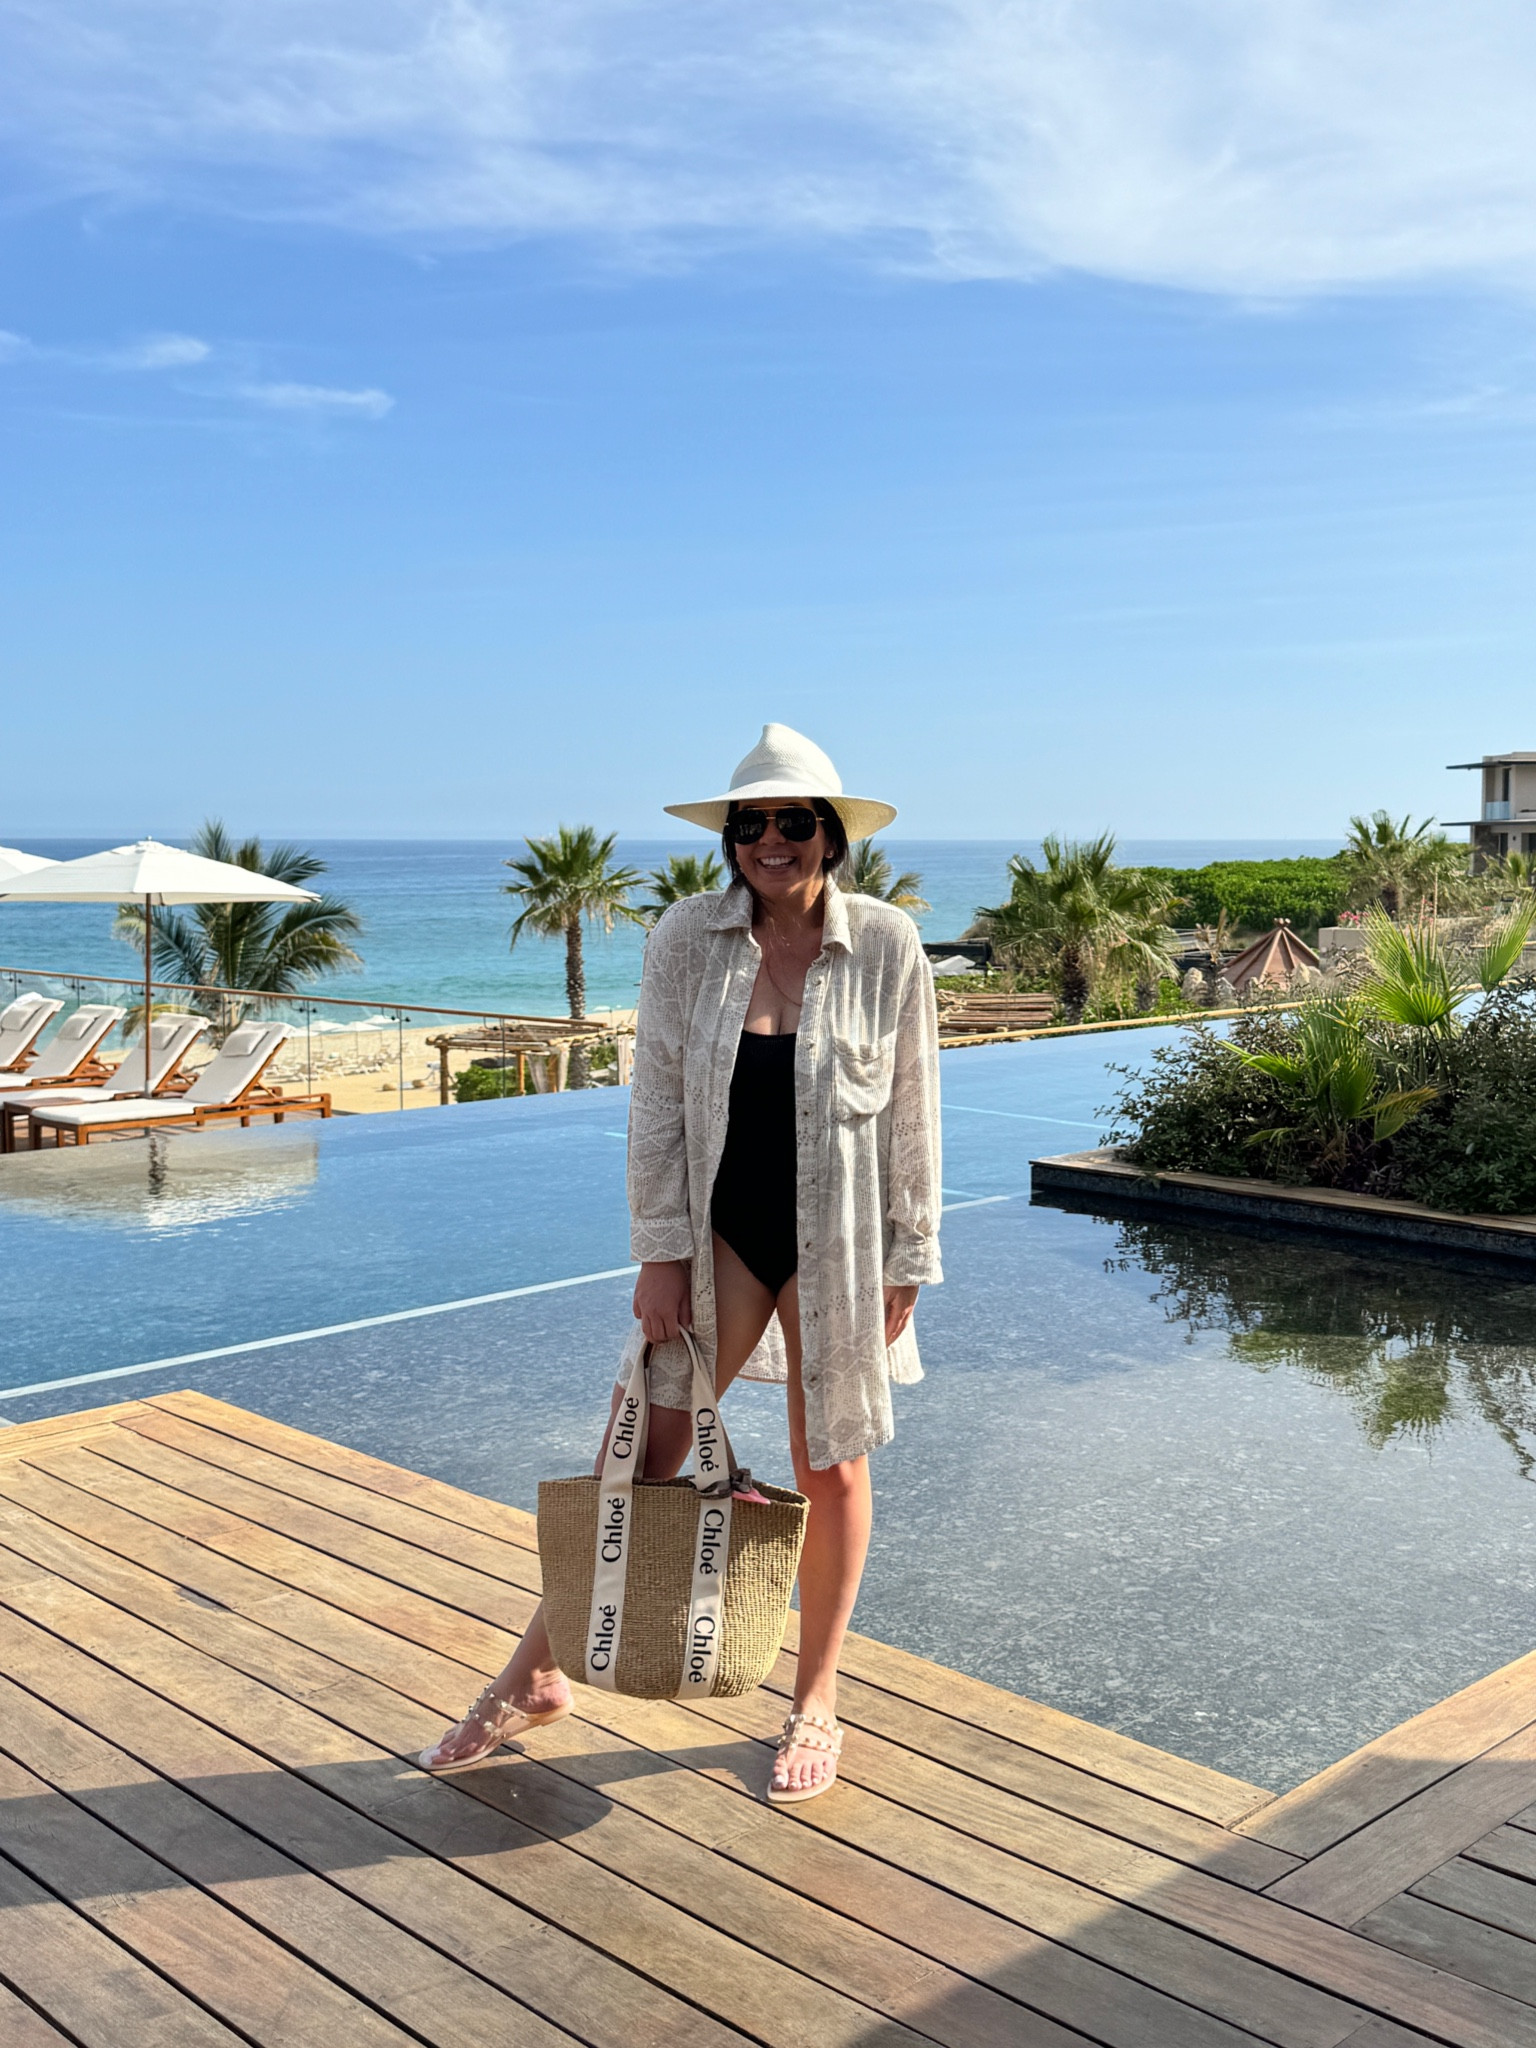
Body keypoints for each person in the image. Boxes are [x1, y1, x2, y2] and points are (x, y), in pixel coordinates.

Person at [420, 723, 942, 1803]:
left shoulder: (887, 944)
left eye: (793, 822)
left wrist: (911, 1256)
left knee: (831, 1458)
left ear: (831, 836)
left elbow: (914, 1111)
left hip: (839, 1240)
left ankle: (816, 1696)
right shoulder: (685, 939)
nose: (769, 841)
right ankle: (535, 1675)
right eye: (750, 824)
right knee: (648, 1450)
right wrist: (659, 1251)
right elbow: (654, 1104)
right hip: (720, 1231)